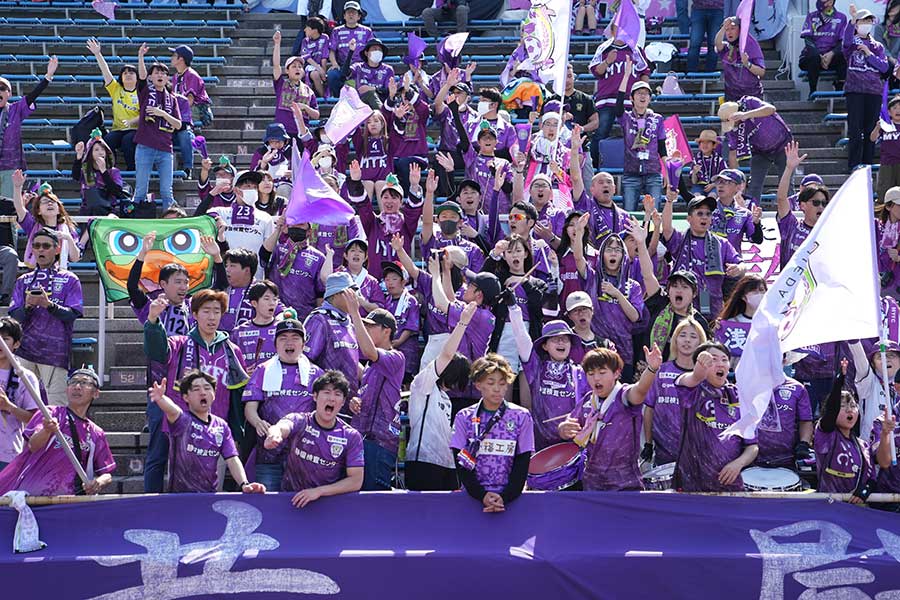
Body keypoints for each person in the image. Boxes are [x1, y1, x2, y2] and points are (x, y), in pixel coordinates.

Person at [143, 289, 249, 459]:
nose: (212, 317)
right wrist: (153, 320)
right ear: (194, 314)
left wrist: (236, 433)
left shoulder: (232, 351)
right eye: (206, 311)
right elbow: (157, 351)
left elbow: (237, 397)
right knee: (180, 483)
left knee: (215, 483)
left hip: (217, 430)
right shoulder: (180, 344)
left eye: (216, 312)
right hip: (182, 429)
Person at [557, 344, 662, 490]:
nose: (596, 378)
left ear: (616, 373)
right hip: (592, 483)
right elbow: (569, 426)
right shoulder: (588, 400)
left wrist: (651, 369)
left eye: (602, 372)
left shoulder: (624, 396)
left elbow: (640, 390)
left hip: (625, 484)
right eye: (591, 373)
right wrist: (563, 429)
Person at [0, 368, 114, 497]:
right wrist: (46, 430)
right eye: (73, 382)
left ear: (96, 393)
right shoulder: (50, 413)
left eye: (84, 383)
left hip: (71, 502)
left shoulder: (96, 433)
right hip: (33, 498)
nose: (77, 386)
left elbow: (107, 473)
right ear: (66, 389)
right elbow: (32, 445)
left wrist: (98, 482)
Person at [243, 317, 323, 491]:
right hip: (268, 455)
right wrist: (257, 422)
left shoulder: (316, 373)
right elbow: (250, 407)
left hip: (303, 456)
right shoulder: (263, 370)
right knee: (267, 504)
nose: (289, 342)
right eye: (283, 338)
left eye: (295, 338)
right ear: (275, 344)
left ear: (303, 344)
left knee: (301, 505)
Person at [264, 370, 365, 508]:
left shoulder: (351, 436)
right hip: (293, 500)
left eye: (337, 394)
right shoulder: (300, 421)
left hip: (329, 504)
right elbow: (282, 426)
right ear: (315, 396)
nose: (331, 398)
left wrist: (319, 492)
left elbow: (356, 480)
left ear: (343, 403)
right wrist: (274, 434)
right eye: (326, 392)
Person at [150, 372, 263, 494]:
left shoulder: (221, 426)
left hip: (208, 497)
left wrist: (244, 483)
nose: (203, 392)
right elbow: (172, 410)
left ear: (214, 394)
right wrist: (161, 399)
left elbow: (232, 459)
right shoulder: (182, 421)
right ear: (185, 397)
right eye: (196, 389)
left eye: (207, 388)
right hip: (180, 497)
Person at [9, 229, 83, 407]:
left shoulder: (70, 279)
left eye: (46, 246)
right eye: (36, 246)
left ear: (57, 249)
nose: (41, 250)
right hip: (24, 352)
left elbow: (72, 314)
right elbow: (14, 318)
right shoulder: (23, 281)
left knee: (56, 406)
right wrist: (27, 307)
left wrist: (48, 305)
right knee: (20, 404)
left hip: (55, 353)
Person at [450, 353, 534, 512]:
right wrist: (481, 495)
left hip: (511, 500)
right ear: (478, 384)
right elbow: (460, 463)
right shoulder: (464, 417)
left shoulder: (521, 416)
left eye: (503, 383)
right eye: (491, 382)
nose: (497, 389)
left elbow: (523, 461)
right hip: (472, 499)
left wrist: (506, 496)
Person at [405, 302, 475, 491]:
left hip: (447, 464)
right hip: (423, 462)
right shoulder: (424, 384)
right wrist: (462, 324)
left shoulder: (446, 398)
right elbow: (446, 355)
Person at [673, 342, 759, 491]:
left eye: (724, 359)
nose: (720, 364)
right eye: (713, 359)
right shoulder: (691, 391)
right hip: (693, 485)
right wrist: (699, 370)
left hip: (730, 487)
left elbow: (752, 446)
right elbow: (691, 378)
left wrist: (738, 463)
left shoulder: (740, 396)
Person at [509, 305, 588, 450]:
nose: (561, 342)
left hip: (572, 446)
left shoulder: (581, 373)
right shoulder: (536, 368)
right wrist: (514, 309)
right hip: (541, 446)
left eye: (565, 339)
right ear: (545, 346)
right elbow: (521, 338)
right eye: (555, 339)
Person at [346, 299, 405, 490]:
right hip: (362, 440)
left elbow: (370, 352)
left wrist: (355, 314)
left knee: (374, 506)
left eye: (371, 327)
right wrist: (356, 401)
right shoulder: (371, 367)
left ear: (386, 330)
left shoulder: (396, 357)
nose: (366, 331)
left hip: (379, 444)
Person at [661, 191, 743, 320]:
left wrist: (738, 269)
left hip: (712, 306)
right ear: (689, 219)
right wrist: (670, 201)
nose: (704, 217)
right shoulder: (680, 239)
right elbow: (666, 228)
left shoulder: (721, 243)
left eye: (708, 214)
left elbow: (741, 264)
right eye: (699, 213)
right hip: (682, 307)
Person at [642, 318, 707, 467]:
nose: (687, 340)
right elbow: (649, 409)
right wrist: (647, 442)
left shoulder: (705, 375)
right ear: (675, 339)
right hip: (663, 454)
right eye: (682, 335)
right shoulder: (661, 371)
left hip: (697, 453)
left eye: (693, 336)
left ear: (700, 343)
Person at [346, 161, 424, 280]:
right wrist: (356, 182)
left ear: (401, 202)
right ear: (380, 199)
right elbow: (363, 205)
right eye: (386, 197)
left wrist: (414, 186)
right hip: (375, 284)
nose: (389, 201)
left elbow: (413, 211)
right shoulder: (372, 223)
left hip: (401, 283)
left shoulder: (406, 224)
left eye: (394, 197)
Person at [815, 367, 876, 503]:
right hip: (827, 507)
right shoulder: (826, 435)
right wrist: (839, 380)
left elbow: (871, 479)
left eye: (853, 406)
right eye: (843, 406)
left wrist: (863, 492)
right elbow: (831, 410)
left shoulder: (863, 446)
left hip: (853, 510)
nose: (850, 410)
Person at [0, 56, 57, 199]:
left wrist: (48, 76)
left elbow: (32, 96)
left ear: (9, 94)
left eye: (2, 89)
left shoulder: (15, 110)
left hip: (10, 167)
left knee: (8, 207)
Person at [134, 44, 182, 210]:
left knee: (167, 192)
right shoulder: (146, 92)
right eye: (156, 73)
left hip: (165, 149)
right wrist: (140, 56)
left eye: (163, 73)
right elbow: (140, 77)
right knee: (140, 190)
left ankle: (170, 222)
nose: (160, 75)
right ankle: (137, 220)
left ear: (168, 78)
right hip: (145, 146)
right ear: (151, 77)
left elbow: (178, 124)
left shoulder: (172, 99)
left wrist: (162, 114)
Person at [718, 97, 793, 203]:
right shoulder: (732, 131)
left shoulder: (749, 102)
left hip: (784, 144)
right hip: (760, 151)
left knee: (786, 182)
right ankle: (751, 215)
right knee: (754, 185)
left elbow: (771, 109)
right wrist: (737, 178)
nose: (733, 126)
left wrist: (746, 115)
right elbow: (733, 154)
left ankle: (791, 213)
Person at [615, 62, 667, 211]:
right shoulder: (626, 118)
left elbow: (662, 148)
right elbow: (618, 106)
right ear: (632, 98)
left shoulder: (657, 119)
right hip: (631, 173)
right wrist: (626, 76)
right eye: (639, 93)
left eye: (646, 93)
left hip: (653, 172)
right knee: (629, 212)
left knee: (654, 212)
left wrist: (666, 173)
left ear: (650, 98)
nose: (642, 96)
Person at [844, 5, 889, 170]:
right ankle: (854, 165)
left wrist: (869, 54)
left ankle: (868, 164)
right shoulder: (851, 43)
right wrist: (852, 20)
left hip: (874, 92)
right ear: (857, 23)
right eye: (863, 20)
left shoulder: (877, 46)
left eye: (869, 20)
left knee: (871, 129)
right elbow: (846, 41)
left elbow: (884, 67)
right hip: (855, 91)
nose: (867, 23)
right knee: (855, 130)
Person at [303, 273, 361, 401]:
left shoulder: (349, 322)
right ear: (335, 295)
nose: (355, 297)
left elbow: (353, 361)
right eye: (350, 292)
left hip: (347, 401)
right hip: (326, 401)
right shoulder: (319, 320)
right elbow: (305, 362)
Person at [776, 141, 830, 268]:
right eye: (816, 202)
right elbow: (781, 198)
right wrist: (789, 168)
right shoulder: (791, 225)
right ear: (802, 206)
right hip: (789, 286)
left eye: (824, 203)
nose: (821, 207)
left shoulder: (828, 232)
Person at [87, 39, 138, 170]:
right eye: (125, 73)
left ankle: (132, 169)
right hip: (118, 129)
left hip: (135, 130)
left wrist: (132, 121)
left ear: (137, 77)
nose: (128, 75)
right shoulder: (116, 89)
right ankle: (108, 169)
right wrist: (98, 54)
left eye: (131, 73)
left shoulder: (142, 92)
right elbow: (105, 71)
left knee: (127, 141)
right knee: (106, 141)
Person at [262, 218, 326, 321]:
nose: (296, 227)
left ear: (309, 231)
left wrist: (317, 320)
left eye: (301, 225)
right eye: (294, 224)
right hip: (275, 315)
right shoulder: (278, 250)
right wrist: (278, 228)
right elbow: (263, 257)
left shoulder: (318, 258)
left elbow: (320, 293)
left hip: (304, 318)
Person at [11, 174, 80, 268]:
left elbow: (75, 258)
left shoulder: (68, 229)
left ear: (59, 209)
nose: (50, 203)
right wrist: (17, 187)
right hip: (36, 272)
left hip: (60, 275)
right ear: (39, 211)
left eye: (52, 201)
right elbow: (19, 208)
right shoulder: (32, 225)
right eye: (45, 202)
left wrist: (68, 238)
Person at [0, 317, 40, 472]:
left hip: (9, 454)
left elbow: (35, 419)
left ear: (16, 343)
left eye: (5, 339)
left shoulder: (26, 377)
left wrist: (9, 407)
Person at [755, 376, 814, 470]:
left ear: (785, 360)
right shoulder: (747, 385)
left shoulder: (798, 388)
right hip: (752, 459)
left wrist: (804, 443)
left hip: (787, 459)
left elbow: (805, 420)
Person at [271, 30, 320, 139]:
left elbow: (316, 115)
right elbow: (276, 65)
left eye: (300, 66)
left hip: (302, 134)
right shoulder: (281, 84)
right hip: (282, 134)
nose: (297, 68)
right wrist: (277, 44)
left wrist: (305, 108)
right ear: (287, 71)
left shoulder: (309, 91)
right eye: (293, 66)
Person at [381, 261, 421, 383]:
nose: (390, 282)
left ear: (403, 281)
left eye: (394, 279)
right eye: (387, 279)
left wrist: (398, 341)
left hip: (406, 349)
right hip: (387, 349)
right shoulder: (385, 301)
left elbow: (411, 326)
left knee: (405, 381)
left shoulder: (411, 301)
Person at [800, 0, 849, 97]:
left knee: (843, 55)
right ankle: (812, 91)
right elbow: (807, 39)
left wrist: (831, 54)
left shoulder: (841, 17)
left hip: (832, 57)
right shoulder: (811, 16)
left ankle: (839, 88)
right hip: (812, 56)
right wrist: (819, 55)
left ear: (830, 2)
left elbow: (842, 41)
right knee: (814, 57)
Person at [326, 1, 374, 98]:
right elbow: (332, 51)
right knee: (332, 75)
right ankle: (338, 98)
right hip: (342, 66)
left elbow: (372, 50)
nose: (351, 15)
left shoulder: (366, 31)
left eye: (354, 12)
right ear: (344, 16)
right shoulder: (337, 31)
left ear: (359, 16)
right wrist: (334, 64)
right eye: (348, 12)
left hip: (361, 66)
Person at [231, 281, 282, 372]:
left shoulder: (282, 329)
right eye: (267, 299)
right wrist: (243, 372)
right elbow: (231, 365)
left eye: (275, 299)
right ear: (254, 303)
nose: (272, 303)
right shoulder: (238, 332)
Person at [714, 16, 765, 102]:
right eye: (727, 29)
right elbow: (718, 43)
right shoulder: (727, 48)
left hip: (752, 96)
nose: (729, 32)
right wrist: (723, 27)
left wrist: (747, 64)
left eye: (733, 28)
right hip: (731, 96)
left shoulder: (751, 46)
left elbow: (761, 72)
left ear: (740, 30)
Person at [170, 44, 213, 130]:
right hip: (183, 108)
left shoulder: (191, 75)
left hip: (196, 109)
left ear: (181, 59)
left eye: (174, 55)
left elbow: (189, 101)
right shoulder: (175, 76)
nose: (171, 58)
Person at [292, 16, 330, 97]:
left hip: (321, 65)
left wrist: (323, 71)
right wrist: (319, 69)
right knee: (315, 74)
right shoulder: (305, 41)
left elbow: (324, 56)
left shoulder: (325, 38)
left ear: (314, 30)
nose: (304, 30)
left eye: (307, 28)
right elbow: (307, 58)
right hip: (309, 65)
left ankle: (326, 96)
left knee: (329, 74)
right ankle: (322, 97)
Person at [873, 95, 900, 202]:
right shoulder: (885, 125)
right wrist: (877, 127)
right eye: (894, 108)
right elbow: (872, 138)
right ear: (888, 112)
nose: (898, 110)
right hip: (887, 164)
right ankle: (882, 217)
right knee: (884, 192)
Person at [688, 0, 724, 72]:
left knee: (713, 44)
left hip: (718, 9)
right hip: (698, 8)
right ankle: (691, 75)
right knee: (695, 43)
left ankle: (710, 75)